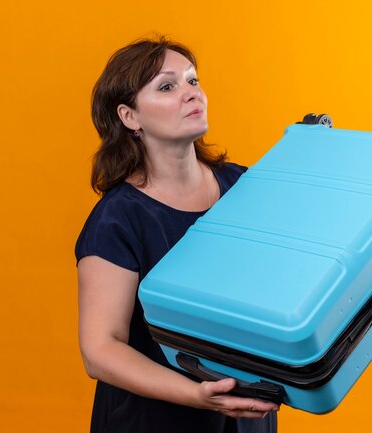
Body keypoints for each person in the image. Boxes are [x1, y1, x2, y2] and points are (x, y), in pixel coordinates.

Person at [74, 35, 279, 433]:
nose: (190, 93)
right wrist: (197, 395)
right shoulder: (117, 220)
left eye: (193, 80)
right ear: (130, 117)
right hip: (154, 420)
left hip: (249, 411)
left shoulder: (246, 187)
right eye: (167, 86)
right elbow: (100, 350)